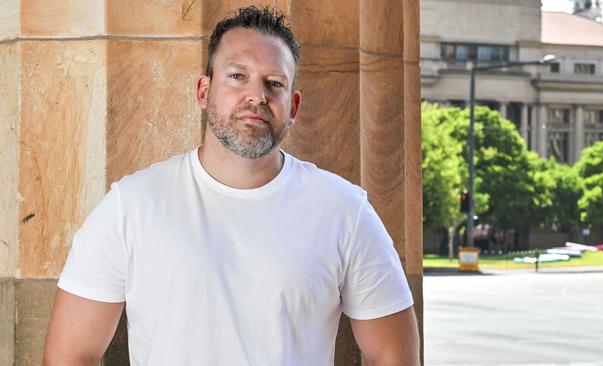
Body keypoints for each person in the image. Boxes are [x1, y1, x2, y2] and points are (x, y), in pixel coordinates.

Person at [42, 6, 419, 366]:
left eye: (274, 83)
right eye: (237, 76)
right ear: (203, 91)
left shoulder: (344, 211)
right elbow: (68, 356)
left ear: (294, 106)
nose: (257, 96)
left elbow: (394, 358)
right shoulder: (132, 205)